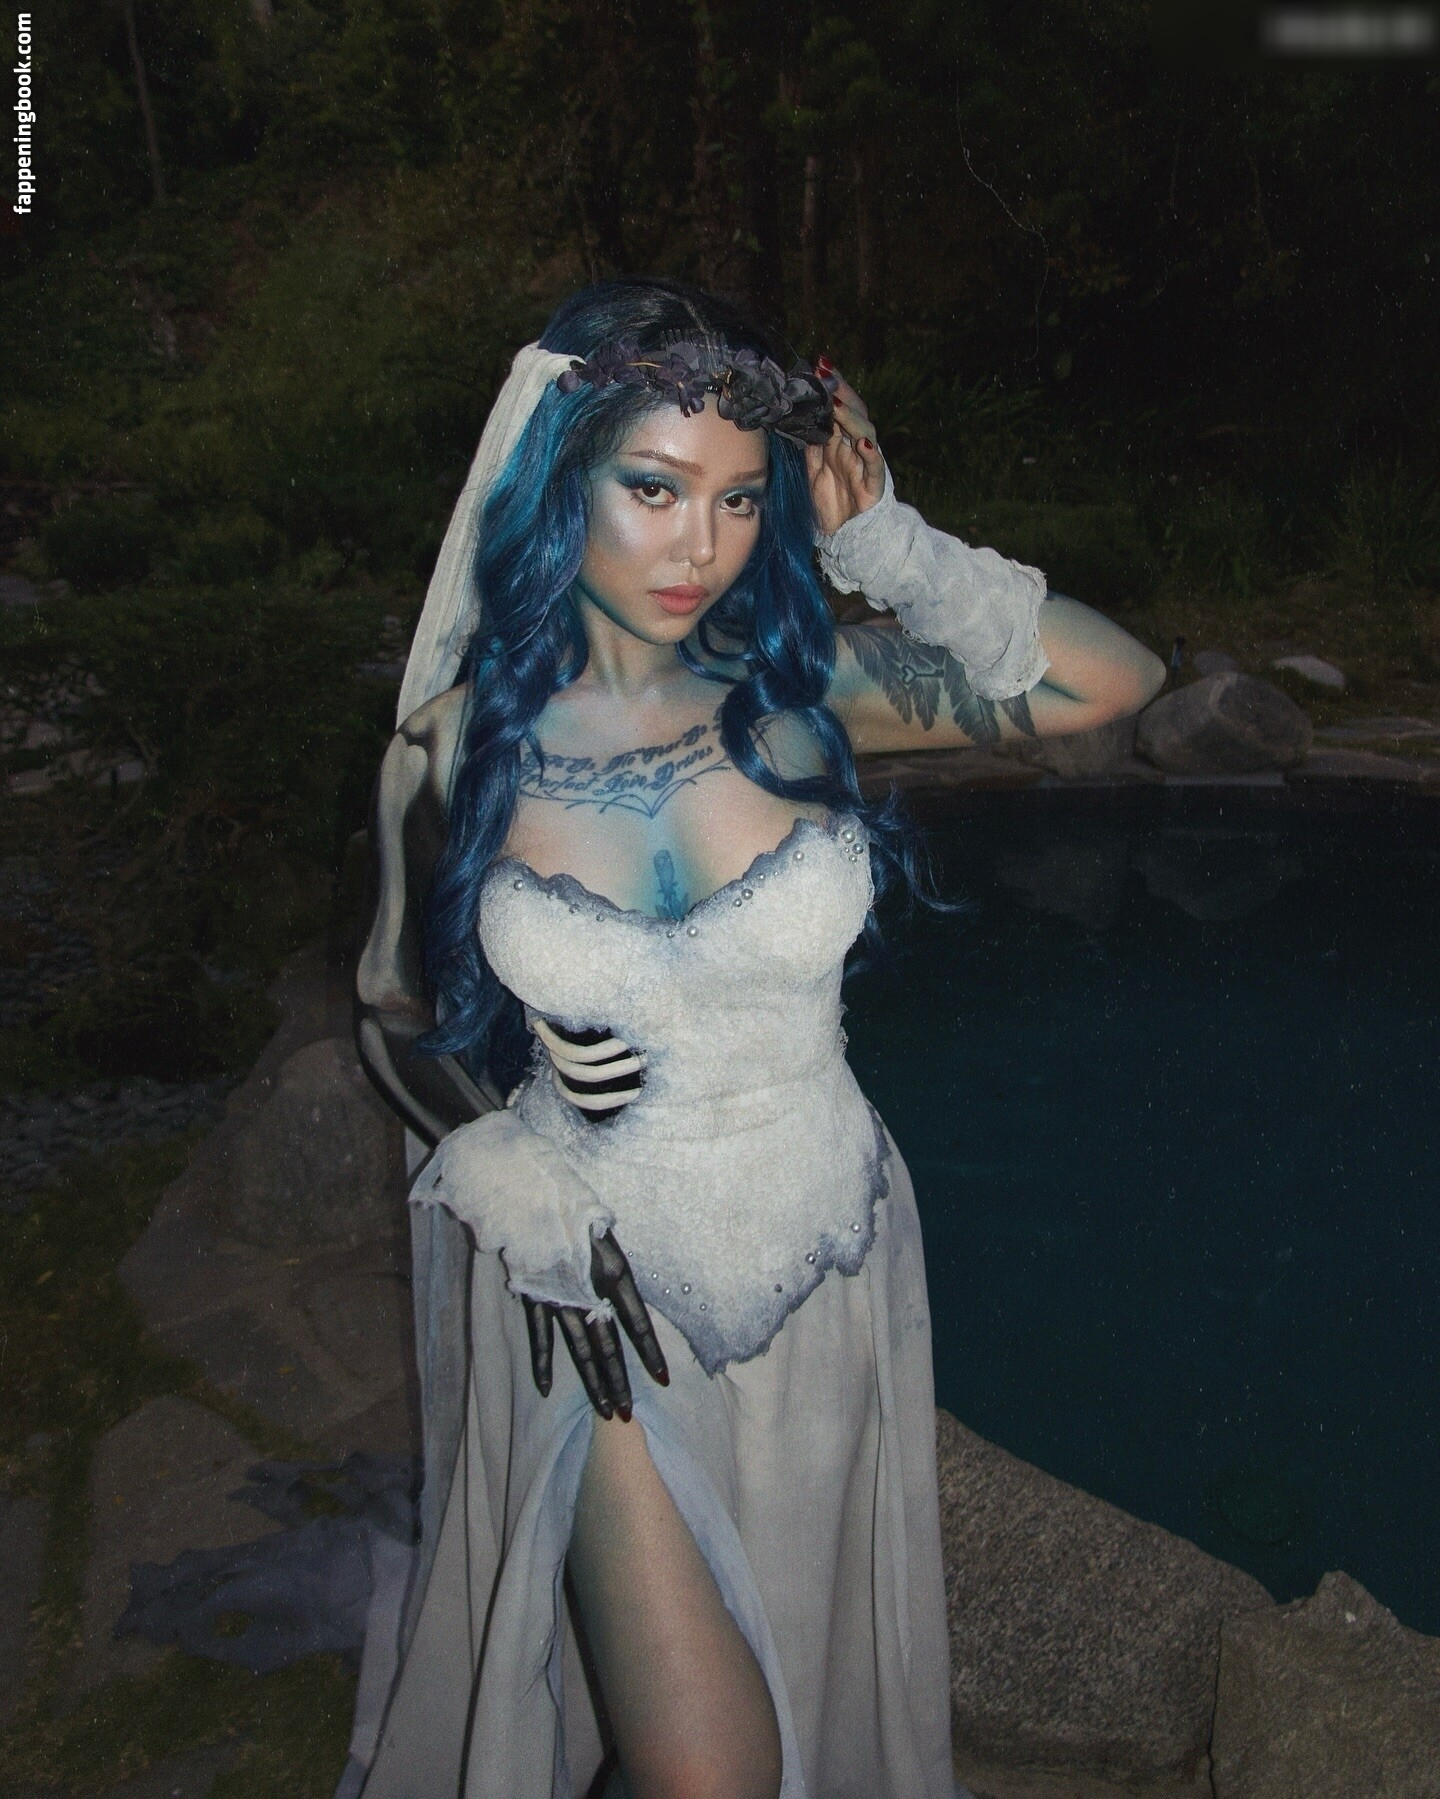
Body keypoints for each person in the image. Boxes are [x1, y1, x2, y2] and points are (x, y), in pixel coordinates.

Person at [352, 278, 1165, 1799]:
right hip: (593, 1291)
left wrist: (886, 543)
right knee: (710, 1766)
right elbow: (392, 1011)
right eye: (653, 489)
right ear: (558, 480)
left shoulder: (805, 699)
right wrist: (502, 1147)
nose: (699, 548)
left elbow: (1115, 681)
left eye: (739, 499)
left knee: (794, 1687)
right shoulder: (454, 749)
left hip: (827, 1257)